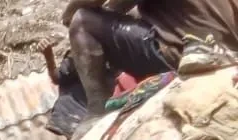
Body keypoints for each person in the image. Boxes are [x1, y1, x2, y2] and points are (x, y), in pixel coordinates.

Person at [63, 0, 238, 116]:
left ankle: (97, 111)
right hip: (227, 50)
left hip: (183, 51)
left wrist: (69, 13)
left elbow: (89, 6)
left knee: (82, 22)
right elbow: (119, 5)